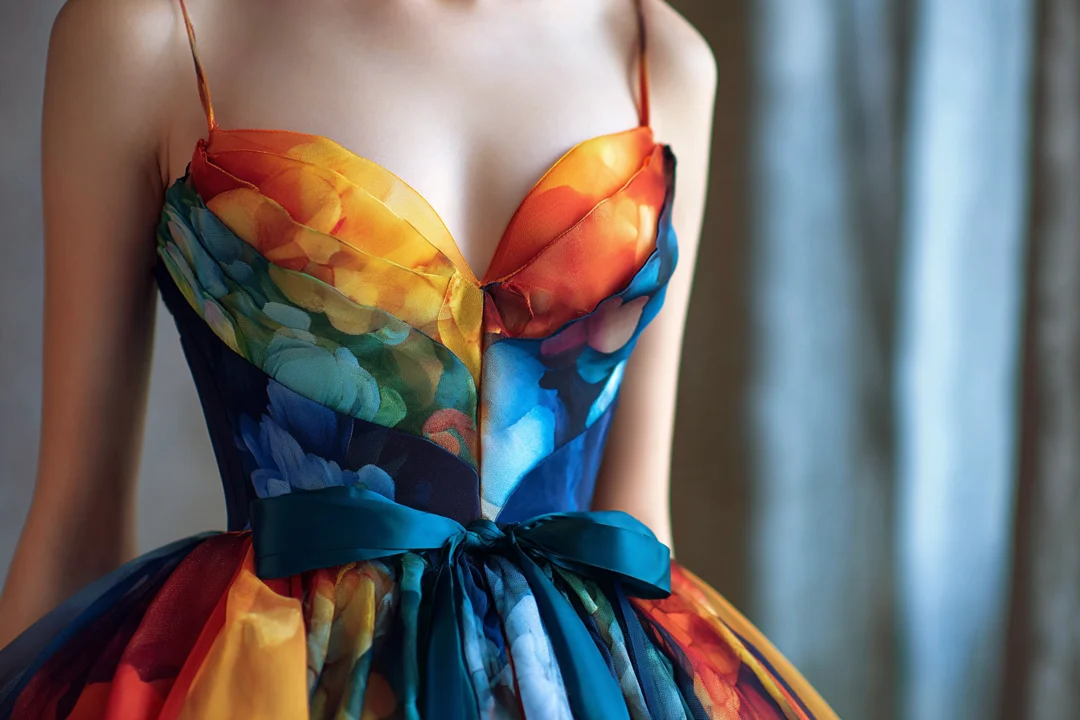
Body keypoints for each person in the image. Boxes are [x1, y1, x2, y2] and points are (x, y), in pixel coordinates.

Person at [0, 0, 839, 717]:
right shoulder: (149, 34)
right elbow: (78, 521)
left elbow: (635, 526)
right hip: (274, 684)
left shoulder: (663, 60)